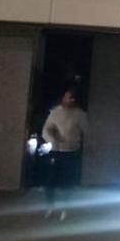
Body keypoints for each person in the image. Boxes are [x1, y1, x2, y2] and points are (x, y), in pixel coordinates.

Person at [41, 88, 88, 221]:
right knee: (50, 181)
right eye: (68, 97)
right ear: (63, 98)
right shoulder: (55, 113)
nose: (69, 100)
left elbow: (86, 131)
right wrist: (52, 139)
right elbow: (46, 129)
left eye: (72, 98)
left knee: (68, 182)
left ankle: (65, 208)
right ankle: (50, 206)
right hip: (55, 151)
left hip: (71, 151)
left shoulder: (80, 115)